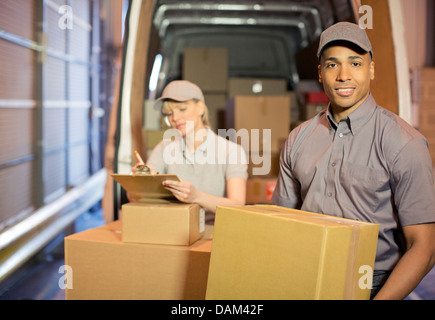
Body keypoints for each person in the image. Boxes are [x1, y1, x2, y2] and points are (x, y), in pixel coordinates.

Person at [272, 21, 435, 300]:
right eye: (333, 65)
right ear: (321, 73)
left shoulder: (404, 143)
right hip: (305, 278)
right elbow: (280, 224)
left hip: (374, 286)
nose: (344, 75)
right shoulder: (298, 139)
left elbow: (424, 247)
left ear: (371, 69)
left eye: (356, 63)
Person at [131, 80, 248, 218]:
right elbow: (135, 198)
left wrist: (197, 197)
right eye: (169, 113)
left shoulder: (232, 151)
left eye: (182, 109)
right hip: (170, 226)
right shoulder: (163, 148)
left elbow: (238, 206)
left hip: (213, 230)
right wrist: (139, 184)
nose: (175, 118)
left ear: (200, 108)